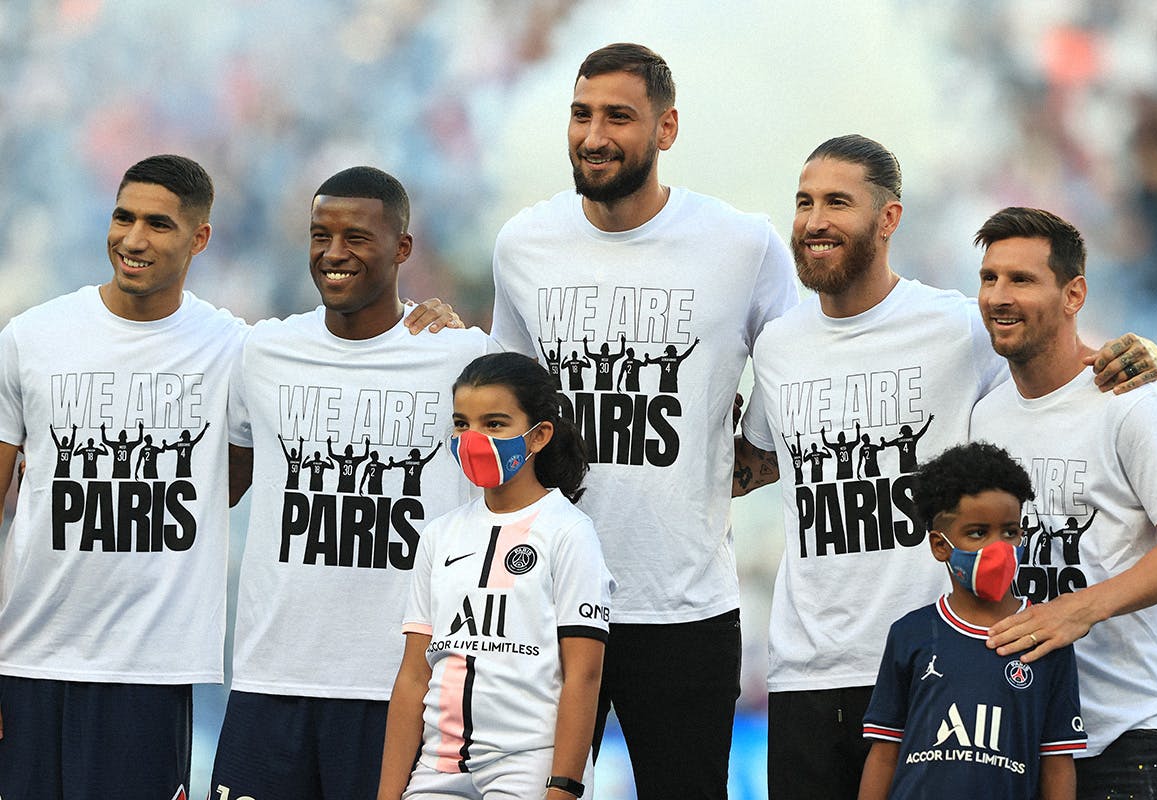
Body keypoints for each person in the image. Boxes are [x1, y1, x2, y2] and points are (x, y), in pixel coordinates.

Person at [733, 135, 1157, 800]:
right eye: (804, 202)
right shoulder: (780, 344)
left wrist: (1131, 354)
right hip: (804, 678)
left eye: (837, 202)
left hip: (938, 663)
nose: (815, 219)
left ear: (888, 219)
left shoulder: (956, 327)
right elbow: (757, 462)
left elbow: (1056, 365)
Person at [489, 43, 800, 798]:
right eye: (581, 113)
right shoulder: (524, 243)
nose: (593, 135)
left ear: (666, 130)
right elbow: (504, 402)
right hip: (545, 594)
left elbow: (800, 364)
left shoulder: (742, 244)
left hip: (686, 605)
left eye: (618, 117)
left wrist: (750, 455)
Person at [209, 166, 490, 800]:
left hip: (404, 688)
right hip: (270, 680)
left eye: (357, 237)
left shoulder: (461, 358)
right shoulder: (264, 352)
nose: (334, 254)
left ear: (403, 248)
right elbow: (218, 482)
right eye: (320, 234)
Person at [0, 154, 245, 800]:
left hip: (152, 671)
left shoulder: (234, 349)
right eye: (123, 217)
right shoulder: (32, 338)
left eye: (158, 225)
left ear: (200, 239)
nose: (133, 239)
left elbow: (233, 479)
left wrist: (431, 319)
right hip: (24, 662)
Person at [969, 207, 1157, 799]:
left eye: (1022, 279)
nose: (1000, 295)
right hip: (1030, 739)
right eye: (990, 277)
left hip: (1139, 737)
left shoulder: (1133, 403)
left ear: (1074, 294)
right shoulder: (987, 414)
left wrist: (1081, 609)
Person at [377, 352, 613, 800]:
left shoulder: (569, 533)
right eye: (462, 424)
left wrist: (563, 788)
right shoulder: (438, 535)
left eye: (495, 424)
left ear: (539, 435)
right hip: (437, 765)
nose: (473, 439)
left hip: (527, 763)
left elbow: (584, 675)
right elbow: (412, 676)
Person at [858, 441, 1086, 800]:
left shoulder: (1046, 635)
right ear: (940, 545)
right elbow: (885, 753)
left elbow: (1057, 763)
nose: (999, 547)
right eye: (978, 533)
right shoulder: (910, 633)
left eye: (1010, 532)